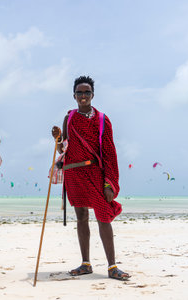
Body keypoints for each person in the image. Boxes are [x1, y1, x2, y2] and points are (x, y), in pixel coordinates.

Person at [51, 75, 130, 281]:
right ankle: (86, 263)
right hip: (74, 173)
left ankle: (112, 266)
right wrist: (57, 138)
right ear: (74, 96)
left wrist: (110, 182)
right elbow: (63, 147)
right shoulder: (69, 118)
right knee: (81, 217)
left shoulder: (103, 119)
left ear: (92, 95)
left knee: (103, 217)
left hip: (95, 174)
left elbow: (110, 152)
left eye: (87, 92)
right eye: (79, 92)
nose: (83, 95)